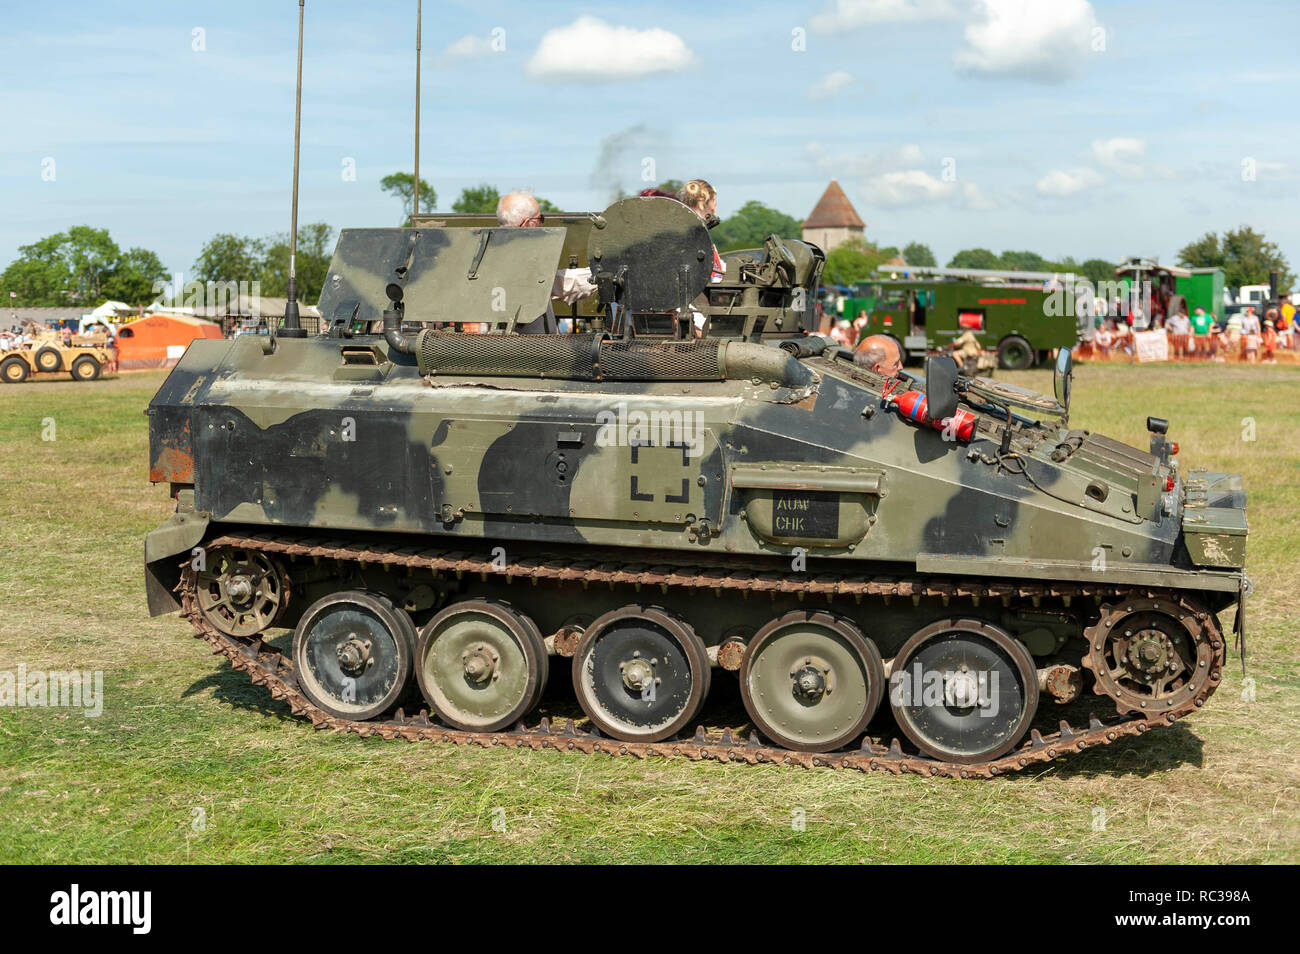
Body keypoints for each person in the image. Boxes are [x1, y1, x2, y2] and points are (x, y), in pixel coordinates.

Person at [495, 191, 597, 334]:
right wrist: (599, 275)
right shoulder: (523, 260)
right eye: (540, 218)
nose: (542, 223)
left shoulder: (491, 254)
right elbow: (561, 284)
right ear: (529, 223)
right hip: (536, 349)